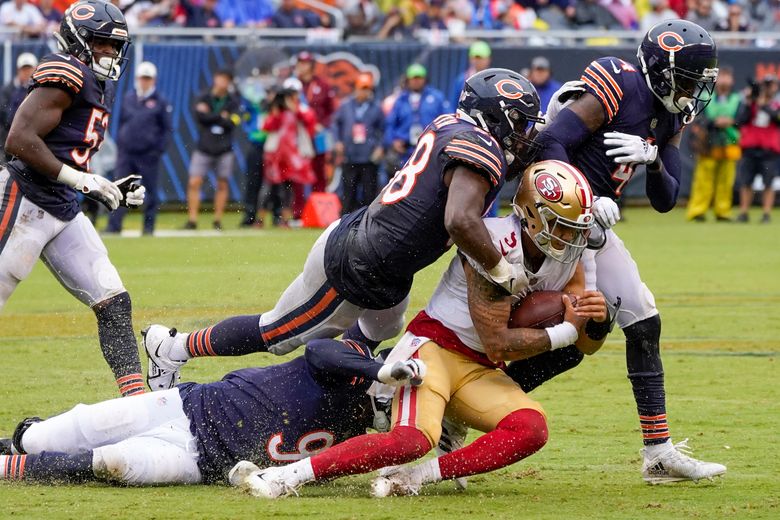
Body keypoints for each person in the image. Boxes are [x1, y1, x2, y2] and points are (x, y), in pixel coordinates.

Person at [143, 69, 544, 392]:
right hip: (358, 261)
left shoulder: (451, 127)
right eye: (522, 124)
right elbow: (460, 220)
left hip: (384, 260)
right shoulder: (479, 148)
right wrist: (501, 268)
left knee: (383, 326)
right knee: (278, 333)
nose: (526, 135)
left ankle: (347, 383)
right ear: (496, 117)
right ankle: (172, 347)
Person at [228, 160, 611, 499]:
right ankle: (284, 476)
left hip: (479, 367)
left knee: (531, 429)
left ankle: (417, 478)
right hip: (434, 350)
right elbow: (499, 342)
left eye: (576, 229)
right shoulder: (493, 243)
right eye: (560, 227)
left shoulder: (571, 256)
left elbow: (585, 341)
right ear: (530, 213)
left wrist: (598, 320)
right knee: (410, 440)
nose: (571, 238)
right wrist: (567, 331)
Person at [534, 19, 727, 483]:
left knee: (643, 322)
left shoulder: (670, 115)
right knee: (549, 335)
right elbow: (549, 142)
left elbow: (665, 199)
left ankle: (658, 452)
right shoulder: (618, 84)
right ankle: (455, 418)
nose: (692, 93)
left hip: (596, 231)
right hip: (553, 224)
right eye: (688, 80)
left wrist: (654, 157)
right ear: (661, 71)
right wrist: (583, 193)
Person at [0, 338, 425, 486]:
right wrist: (378, 369)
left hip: (198, 462)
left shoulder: (365, 433)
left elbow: (399, 450)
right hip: (187, 406)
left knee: (112, 463)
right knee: (39, 439)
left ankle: (6, 470)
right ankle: (19, 443)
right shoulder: (349, 365)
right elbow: (319, 350)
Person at [0, 0, 147, 397]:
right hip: (24, 200)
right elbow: (20, 140)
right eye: (103, 44)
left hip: (63, 207)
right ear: (79, 40)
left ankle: (137, 404)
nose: (111, 54)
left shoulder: (97, 81)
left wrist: (108, 185)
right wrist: (84, 182)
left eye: (116, 47)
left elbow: (67, 150)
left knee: (114, 302)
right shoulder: (65, 69)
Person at [106, 61, 172, 235]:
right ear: (137, 79)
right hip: (127, 152)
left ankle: (148, 228)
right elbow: (120, 122)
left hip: (148, 154)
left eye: (148, 78)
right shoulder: (129, 97)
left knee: (150, 191)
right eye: (142, 78)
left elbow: (167, 129)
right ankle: (114, 226)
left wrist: (157, 150)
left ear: (153, 80)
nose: (144, 82)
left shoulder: (160, 101)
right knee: (119, 189)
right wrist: (121, 142)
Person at [184, 69, 241, 231]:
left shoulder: (233, 100)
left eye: (226, 79)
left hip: (224, 148)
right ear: (215, 78)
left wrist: (213, 116)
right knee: (194, 181)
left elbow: (234, 122)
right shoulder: (204, 96)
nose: (223, 82)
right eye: (221, 78)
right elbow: (200, 117)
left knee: (222, 183)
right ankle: (192, 220)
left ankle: (217, 220)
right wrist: (221, 116)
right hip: (204, 147)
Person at [686, 65, 741, 222]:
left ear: (732, 80)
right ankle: (697, 210)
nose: (724, 80)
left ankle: (723, 211)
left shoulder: (737, 99)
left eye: (727, 77)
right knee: (703, 179)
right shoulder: (704, 96)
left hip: (729, 142)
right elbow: (698, 117)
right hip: (708, 143)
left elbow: (742, 119)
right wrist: (714, 122)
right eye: (722, 76)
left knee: (726, 179)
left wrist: (731, 122)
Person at [332, 72, 384, 214]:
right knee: (348, 192)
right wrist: (337, 142)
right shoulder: (346, 106)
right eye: (362, 88)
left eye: (367, 88)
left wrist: (380, 147)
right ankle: (344, 222)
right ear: (356, 88)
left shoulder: (376, 107)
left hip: (368, 156)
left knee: (369, 193)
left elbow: (383, 129)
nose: (364, 92)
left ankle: (368, 223)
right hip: (350, 155)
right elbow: (336, 124)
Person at [294, 52, 337, 216]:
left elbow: (330, 111)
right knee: (297, 173)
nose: (302, 66)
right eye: (300, 62)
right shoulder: (293, 85)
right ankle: (298, 211)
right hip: (299, 135)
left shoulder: (323, 85)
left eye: (305, 63)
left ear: (311, 65)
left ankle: (319, 211)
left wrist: (322, 125)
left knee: (319, 171)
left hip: (317, 134)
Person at [735, 73, 780, 224]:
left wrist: (763, 105)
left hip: (769, 150)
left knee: (769, 183)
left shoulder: (776, 104)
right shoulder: (751, 104)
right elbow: (740, 120)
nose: (768, 88)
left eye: (771, 85)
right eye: (766, 85)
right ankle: (744, 212)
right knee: (746, 182)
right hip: (750, 148)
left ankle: (766, 213)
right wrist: (749, 102)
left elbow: (777, 118)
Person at [385, 63, 449, 169]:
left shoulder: (437, 97)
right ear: (407, 80)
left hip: (431, 150)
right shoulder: (400, 100)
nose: (416, 81)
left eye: (419, 78)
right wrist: (393, 141)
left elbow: (448, 120)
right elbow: (390, 124)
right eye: (413, 78)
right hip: (405, 152)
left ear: (425, 79)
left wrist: (442, 142)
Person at [0, 53, 38, 160]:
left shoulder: (39, 90)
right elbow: (6, 118)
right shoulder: (7, 90)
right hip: (7, 139)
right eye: (24, 69)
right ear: (18, 70)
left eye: (29, 69)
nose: (26, 73)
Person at [449, 41, 492, 110]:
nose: (477, 61)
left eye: (480, 58)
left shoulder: (494, 79)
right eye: (475, 57)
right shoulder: (461, 80)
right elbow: (454, 105)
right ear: (470, 58)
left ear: (488, 59)